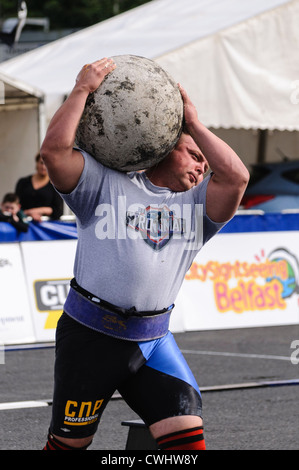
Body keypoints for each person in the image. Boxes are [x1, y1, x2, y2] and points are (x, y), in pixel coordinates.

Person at [40, 58, 249, 451]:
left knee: (188, 444)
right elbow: (54, 152)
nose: (203, 165)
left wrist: (194, 126)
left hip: (153, 342)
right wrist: (83, 89)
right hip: (90, 338)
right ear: (161, 148)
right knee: (68, 447)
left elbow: (237, 176)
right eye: (193, 154)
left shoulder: (197, 208)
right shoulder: (102, 185)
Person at [15, 153, 63, 222]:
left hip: (46, 227)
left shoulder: (55, 185)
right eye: (41, 163)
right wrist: (29, 214)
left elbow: (58, 211)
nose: (43, 167)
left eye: (47, 164)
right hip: (23, 224)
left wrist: (34, 212)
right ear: (36, 163)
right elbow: (16, 205)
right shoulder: (23, 182)